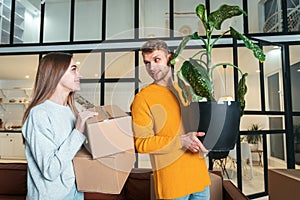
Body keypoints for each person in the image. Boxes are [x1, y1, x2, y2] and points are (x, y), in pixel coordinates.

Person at [130, 40, 211, 200]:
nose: (151, 67)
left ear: (170, 58)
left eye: (156, 60)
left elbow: (198, 127)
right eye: (147, 62)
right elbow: (141, 144)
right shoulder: (143, 98)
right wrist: (180, 141)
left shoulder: (186, 90)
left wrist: (207, 143)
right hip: (172, 185)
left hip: (200, 178)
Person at [22, 52, 98, 200]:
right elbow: (50, 169)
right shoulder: (39, 114)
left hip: (76, 192)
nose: (79, 75)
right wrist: (78, 131)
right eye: (74, 69)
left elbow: (76, 154)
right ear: (57, 73)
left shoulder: (72, 110)